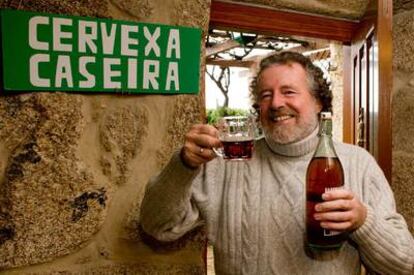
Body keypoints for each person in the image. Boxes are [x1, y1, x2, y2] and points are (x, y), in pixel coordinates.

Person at [140, 51, 414, 274]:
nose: (275, 104)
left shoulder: (357, 163)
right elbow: (157, 228)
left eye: (289, 92)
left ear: (318, 102)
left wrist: (363, 221)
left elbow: (404, 265)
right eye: (265, 95)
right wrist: (183, 165)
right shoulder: (223, 164)